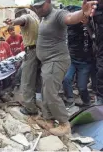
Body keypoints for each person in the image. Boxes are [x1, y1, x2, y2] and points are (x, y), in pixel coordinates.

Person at [32, 0, 98, 136]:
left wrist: (82, 13)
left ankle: (64, 123)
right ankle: (48, 119)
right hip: (47, 62)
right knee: (46, 91)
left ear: (49, 2)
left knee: (51, 93)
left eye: (40, 6)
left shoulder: (58, 14)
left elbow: (70, 18)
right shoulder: (44, 17)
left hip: (56, 61)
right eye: (36, 7)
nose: (38, 9)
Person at [4, 8, 40, 116]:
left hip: (31, 51)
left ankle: (30, 108)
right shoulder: (35, 18)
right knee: (35, 79)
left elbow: (22, 19)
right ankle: (38, 103)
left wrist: (13, 22)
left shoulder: (26, 18)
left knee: (27, 81)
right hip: (40, 50)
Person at [63, 5, 94, 108]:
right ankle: (70, 100)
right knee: (66, 79)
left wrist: (87, 25)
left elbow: (94, 38)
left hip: (85, 62)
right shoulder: (69, 27)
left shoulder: (87, 26)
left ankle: (87, 103)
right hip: (72, 60)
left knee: (81, 87)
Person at [88, 0, 103, 105]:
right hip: (100, 46)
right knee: (100, 72)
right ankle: (100, 99)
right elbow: (91, 30)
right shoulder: (93, 10)